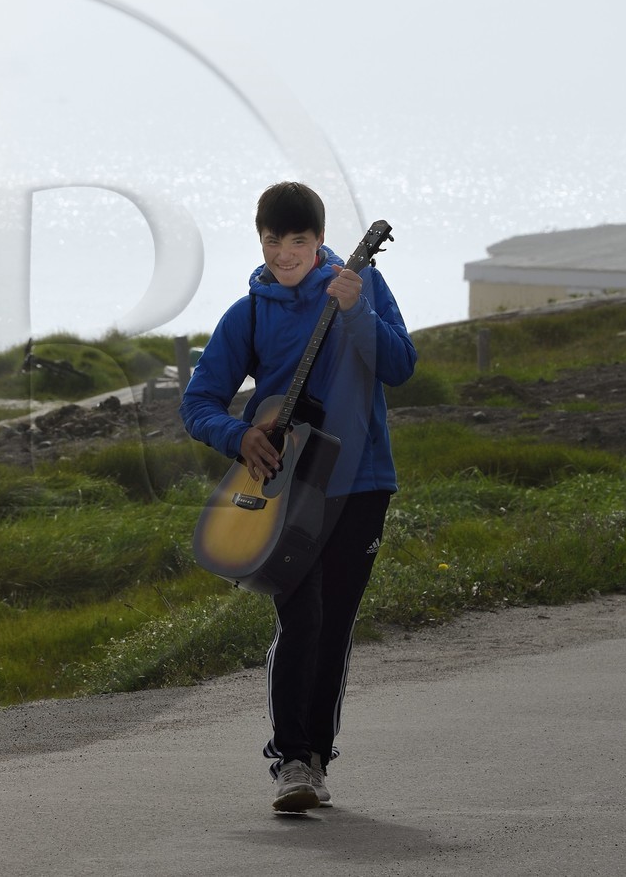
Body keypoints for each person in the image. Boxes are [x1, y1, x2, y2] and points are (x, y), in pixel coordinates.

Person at [180, 181, 417, 812]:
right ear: (259, 239)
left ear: (319, 240)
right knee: (299, 618)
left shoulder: (359, 285)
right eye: (273, 240)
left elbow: (400, 366)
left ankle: (314, 759)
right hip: (284, 490)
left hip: (363, 483)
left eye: (299, 240)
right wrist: (238, 437)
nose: (285, 253)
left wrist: (356, 312)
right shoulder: (250, 313)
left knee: (333, 623)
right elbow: (197, 403)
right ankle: (290, 761)